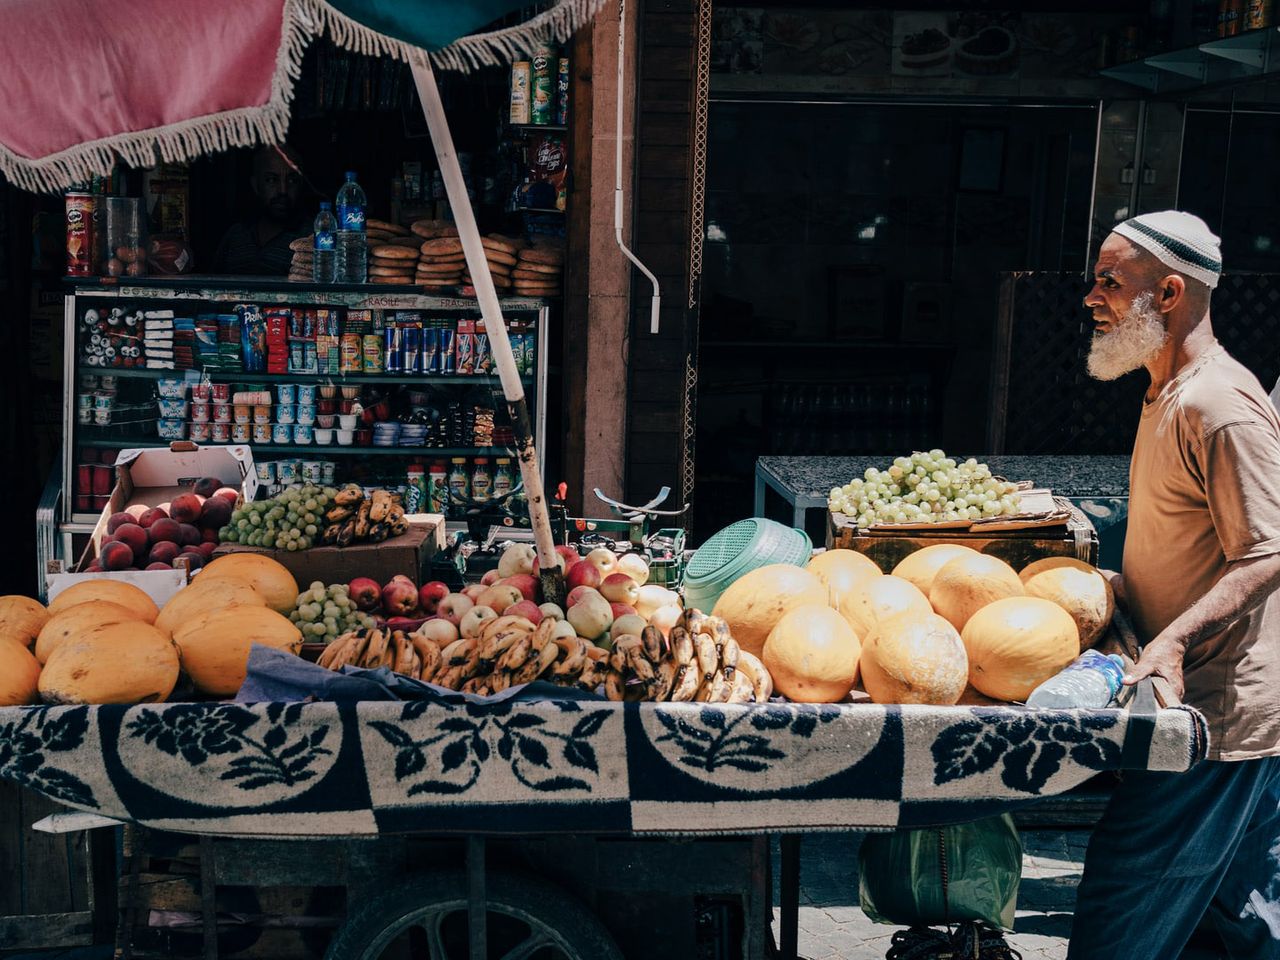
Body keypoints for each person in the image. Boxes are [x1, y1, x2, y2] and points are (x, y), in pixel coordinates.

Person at [1070, 210, 1280, 959]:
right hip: (1191, 709)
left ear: (1167, 293)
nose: (1091, 297)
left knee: (1118, 918)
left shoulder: (1217, 405)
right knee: (1240, 929)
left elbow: (1266, 553)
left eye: (1108, 281)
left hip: (1211, 718)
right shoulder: (1166, 392)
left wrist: (1173, 639)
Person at [212, 144, 307, 276]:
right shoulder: (236, 235)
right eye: (271, 180)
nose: (283, 191)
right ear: (256, 185)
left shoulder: (312, 238)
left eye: (292, 180)